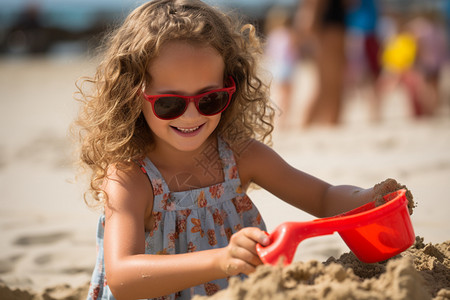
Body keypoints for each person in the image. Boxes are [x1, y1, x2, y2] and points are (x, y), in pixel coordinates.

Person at [73, 1, 406, 299]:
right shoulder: (131, 178)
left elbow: (323, 198)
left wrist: (368, 197)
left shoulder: (240, 156)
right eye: (170, 103)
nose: (192, 115)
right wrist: (221, 260)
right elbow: (123, 277)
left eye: (210, 99)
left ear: (230, 86)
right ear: (134, 96)